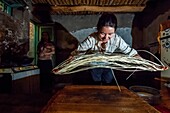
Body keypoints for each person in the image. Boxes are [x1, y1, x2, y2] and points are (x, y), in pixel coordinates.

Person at [71, 13, 140, 85]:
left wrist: (141, 60)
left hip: (108, 64)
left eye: (110, 34)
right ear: (98, 29)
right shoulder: (91, 39)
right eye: (102, 33)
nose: (106, 38)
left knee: (108, 82)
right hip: (94, 65)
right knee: (95, 82)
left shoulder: (117, 39)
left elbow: (130, 52)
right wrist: (72, 58)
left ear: (115, 31)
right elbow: (79, 51)